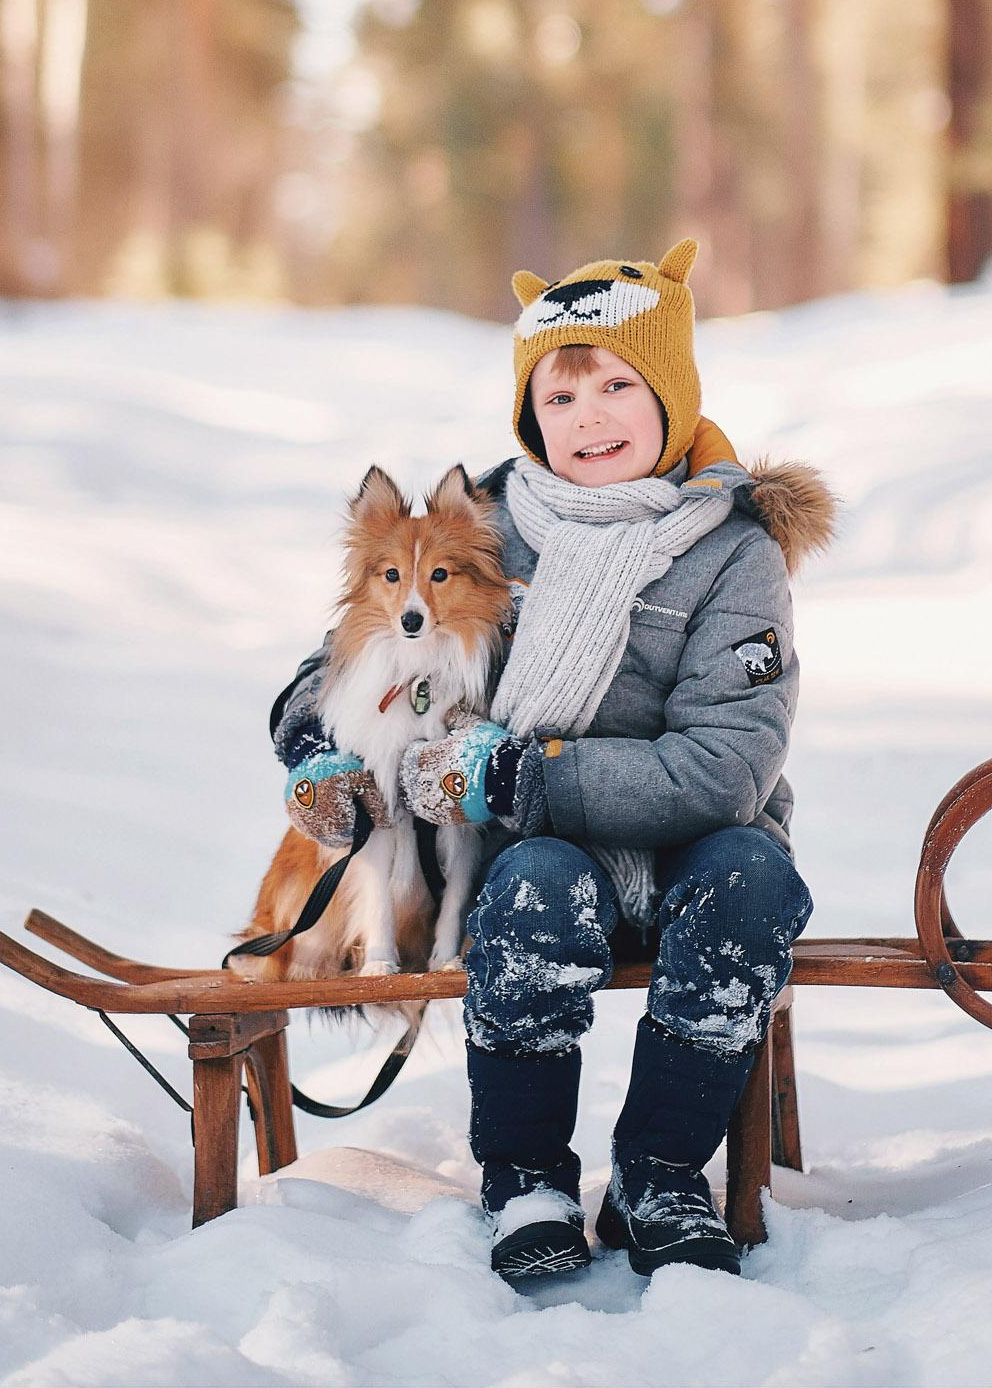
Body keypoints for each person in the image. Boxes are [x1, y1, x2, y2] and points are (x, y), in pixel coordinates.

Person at [270, 239, 834, 1284]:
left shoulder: (733, 549)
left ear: (672, 394)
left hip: (691, 845)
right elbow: (356, 653)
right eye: (563, 393)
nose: (593, 415)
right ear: (532, 413)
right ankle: (525, 1175)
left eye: (621, 385)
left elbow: (728, 762)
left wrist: (525, 778)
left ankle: (659, 1171)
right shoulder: (485, 523)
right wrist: (311, 743)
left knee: (756, 880)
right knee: (527, 892)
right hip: (543, 852)